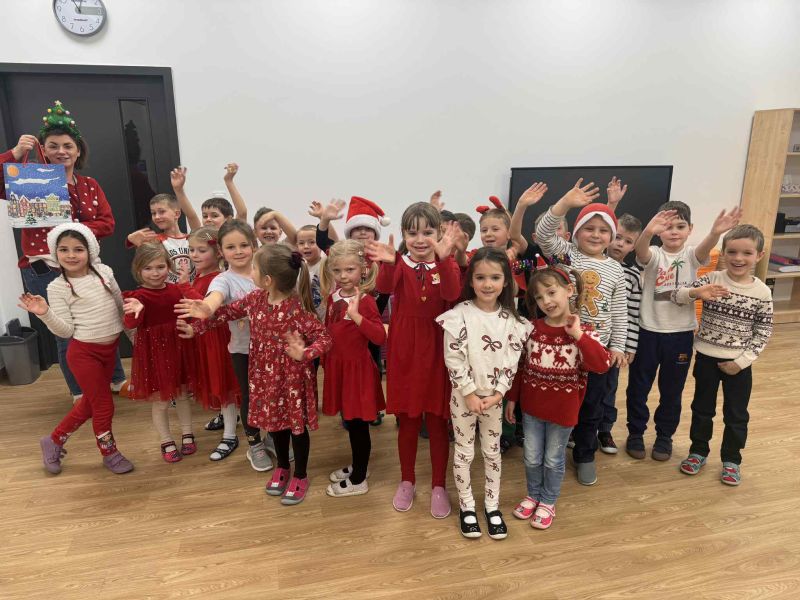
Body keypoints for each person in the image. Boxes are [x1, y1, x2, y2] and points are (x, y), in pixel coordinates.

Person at [182, 244, 332, 505]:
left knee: (296, 429)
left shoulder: (296, 309)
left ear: (268, 279)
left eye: (254, 267)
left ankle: (300, 475)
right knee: (276, 425)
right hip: (265, 377)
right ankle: (282, 467)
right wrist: (199, 324)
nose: (250, 271)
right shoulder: (255, 299)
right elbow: (226, 313)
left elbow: (325, 337)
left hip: (292, 380)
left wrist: (305, 354)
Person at [1, 100, 127, 403]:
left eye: (68, 145)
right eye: (53, 146)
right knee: (65, 332)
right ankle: (80, 390)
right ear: (43, 150)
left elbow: (107, 223)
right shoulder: (28, 181)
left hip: (86, 268)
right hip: (44, 270)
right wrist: (14, 154)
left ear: (78, 150)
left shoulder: (90, 185)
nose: (61, 151)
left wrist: (72, 228)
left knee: (103, 320)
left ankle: (116, 379)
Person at [624, 202, 742, 461]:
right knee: (638, 388)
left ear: (690, 229)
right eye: (668, 227)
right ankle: (635, 433)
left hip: (679, 336)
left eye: (680, 226)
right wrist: (648, 231)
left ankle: (664, 436)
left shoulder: (691, 255)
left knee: (671, 390)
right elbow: (641, 251)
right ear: (659, 231)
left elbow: (704, 249)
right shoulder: (654, 254)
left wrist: (715, 232)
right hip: (648, 332)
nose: (674, 231)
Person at [366, 202, 461, 518]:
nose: (420, 240)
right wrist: (388, 262)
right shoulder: (399, 262)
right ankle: (406, 480)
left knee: (436, 421)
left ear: (439, 233)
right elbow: (383, 288)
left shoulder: (446, 262)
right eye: (412, 233)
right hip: (405, 349)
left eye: (428, 232)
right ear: (404, 235)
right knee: (407, 420)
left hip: (437, 349)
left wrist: (445, 258)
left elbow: (452, 293)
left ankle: (438, 485)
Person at [19, 223, 133, 475]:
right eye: (64, 250)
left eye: (78, 249)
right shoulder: (57, 287)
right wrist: (44, 313)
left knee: (89, 404)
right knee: (103, 406)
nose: (71, 255)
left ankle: (54, 440)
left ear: (90, 251)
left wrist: (136, 339)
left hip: (109, 352)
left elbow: (121, 308)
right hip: (84, 355)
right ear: (55, 253)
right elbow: (65, 332)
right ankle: (110, 453)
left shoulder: (104, 272)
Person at [535, 179, 627, 486]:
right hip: (562, 346)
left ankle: (585, 454)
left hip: (596, 349)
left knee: (592, 405)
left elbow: (620, 312)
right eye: (589, 228)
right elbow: (544, 234)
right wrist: (564, 202)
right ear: (576, 232)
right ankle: (555, 450)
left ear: (611, 236)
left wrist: (617, 346)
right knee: (562, 401)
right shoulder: (566, 254)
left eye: (603, 230)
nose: (596, 235)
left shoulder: (616, 269)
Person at [506, 260, 611, 529]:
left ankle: (548, 501)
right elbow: (520, 367)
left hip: (563, 412)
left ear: (569, 290)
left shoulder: (584, 332)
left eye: (551, 292)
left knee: (553, 459)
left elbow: (601, 365)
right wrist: (513, 398)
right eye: (539, 297)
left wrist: (578, 335)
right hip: (532, 409)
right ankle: (533, 495)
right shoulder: (531, 329)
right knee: (531, 456)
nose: (546, 301)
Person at [437, 247, 531, 539]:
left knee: (492, 453)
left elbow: (511, 360)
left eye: (494, 277)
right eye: (480, 277)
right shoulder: (459, 315)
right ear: (471, 280)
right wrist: (468, 393)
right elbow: (453, 358)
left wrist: (499, 393)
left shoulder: (512, 321)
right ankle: (467, 507)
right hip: (463, 398)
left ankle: (492, 506)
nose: (487, 284)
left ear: (505, 281)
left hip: (493, 400)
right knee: (464, 452)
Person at [673, 225, 773, 486]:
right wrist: (696, 293)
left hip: (739, 365)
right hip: (706, 359)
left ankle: (731, 460)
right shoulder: (712, 279)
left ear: (759, 255)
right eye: (732, 252)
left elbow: (763, 331)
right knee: (702, 409)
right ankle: (698, 452)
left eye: (747, 253)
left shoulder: (762, 292)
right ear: (724, 253)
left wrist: (741, 362)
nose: (738, 258)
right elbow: (678, 296)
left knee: (736, 415)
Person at [176, 220, 269, 467]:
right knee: (249, 397)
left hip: (272, 350)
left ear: (253, 245)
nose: (238, 251)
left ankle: (271, 437)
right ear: (221, 251)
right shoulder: (223, 280)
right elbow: (214, 298)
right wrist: (206, 307)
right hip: (242, 350)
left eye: (243, 245)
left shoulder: (266, 272)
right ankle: (255, 444)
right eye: (230, 247)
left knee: (271, 395)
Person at [319, 240, 386, 497]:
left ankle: (359, 479)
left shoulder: (366, 301)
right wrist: (325, 360)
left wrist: (357, 316)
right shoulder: (333, 297)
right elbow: (329, 331)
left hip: (358, 373)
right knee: (349, 421)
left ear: (363, 269)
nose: (343, 276)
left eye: (349, 269)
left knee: (358, 426)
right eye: (337, 270)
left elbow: (379, 337)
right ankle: (360, 466)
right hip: (339, 369)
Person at [122, 243, 196, 463]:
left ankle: (187, 433)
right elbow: (130, 322)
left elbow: (189, 314)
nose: (155, 273)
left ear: (168, 267)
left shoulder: (176, 290)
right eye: (148, 268)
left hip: (179, 348)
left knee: (182, 395)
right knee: (161, 400)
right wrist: (135, 310)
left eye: (160, 267)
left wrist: (190, 323)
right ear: (138, 270)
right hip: (155, 354)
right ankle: (166, 440)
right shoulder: (138, 297)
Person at [174, 227, 241, 460]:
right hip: (205, 337)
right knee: (218, 383)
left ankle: (230, 435)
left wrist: (185, 286)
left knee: (225, 385)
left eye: (201, 250)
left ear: (218, 252)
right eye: (192, 249)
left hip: (219, 340)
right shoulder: (202, 276)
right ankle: (227, 417)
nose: (195, 254)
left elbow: (206, 308)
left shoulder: (219, 278)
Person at [598, 213, 643, 454]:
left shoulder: (633, 276)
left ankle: (605, 430)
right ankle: (577, 428)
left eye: (627, 241)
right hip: (590, 338)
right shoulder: (590, 263)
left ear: (634, 246)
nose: (619, 244)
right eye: (617, 237)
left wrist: (629, 346)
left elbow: (633, 313)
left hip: (615, 344)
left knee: (609, 386)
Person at [126, 193, 194, 284]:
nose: (157, 217)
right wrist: (131, 240)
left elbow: (194, 219)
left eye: (161, 212)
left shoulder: (192, 239)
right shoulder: (154, 240)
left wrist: (179, 190)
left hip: (194, 290)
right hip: (167, 290)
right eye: (153, 213)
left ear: (177, 214)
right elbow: (142, 263)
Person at [170, 163, 248, 230]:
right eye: (205, 216)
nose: (208, 219)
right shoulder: (202, 235)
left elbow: (242, 213)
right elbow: (191, 216)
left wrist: (228, 180)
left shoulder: (233, 233)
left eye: (214, 216)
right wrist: (178, 190)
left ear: (229, 219)